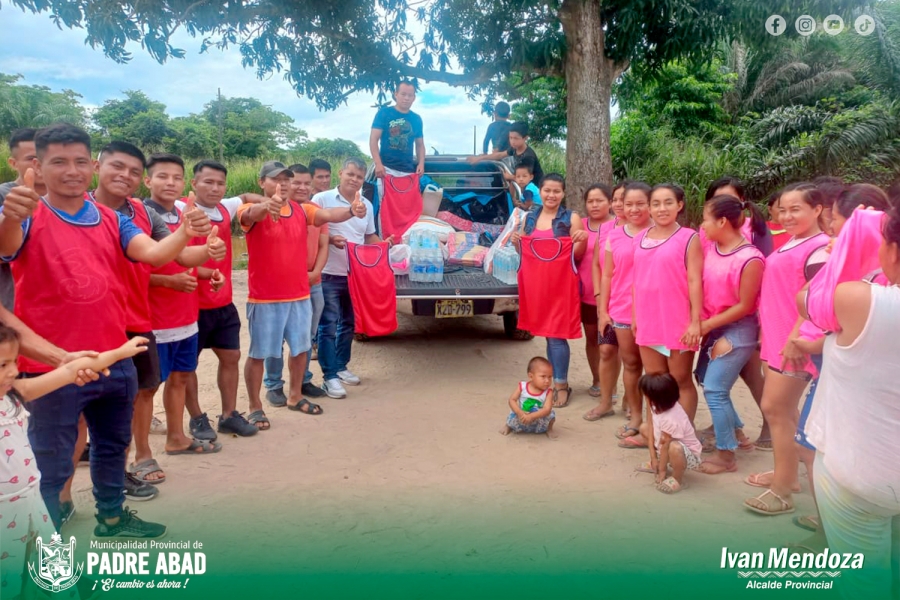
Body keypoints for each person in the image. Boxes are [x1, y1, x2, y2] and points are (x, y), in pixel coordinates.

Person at [0, 122, 211, 536]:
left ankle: (112, 517)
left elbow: (151, 254)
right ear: (38, 167)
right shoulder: (27, 213)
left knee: (113, 447)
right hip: (51, 367)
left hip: (114, 358)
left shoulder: (113, 220)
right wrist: (12, 217)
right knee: (52, 458)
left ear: (92, 165)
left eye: (80, 161)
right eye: (58, 162)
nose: (71, 170)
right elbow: (7, 247)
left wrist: (186, 231)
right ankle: (45, 539)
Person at [92, 142, 221, 498]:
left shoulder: (140, 214)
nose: (125, 176)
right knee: (101, 406)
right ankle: (74, 495)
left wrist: (205, 251)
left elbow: (169, 255)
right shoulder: (80, 209)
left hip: (137, 319)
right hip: (101, 324)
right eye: (118, 167)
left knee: (144, 389)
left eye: (132, 170)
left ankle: (139, 462)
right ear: (96, 166)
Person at [0, 328, 148, 598]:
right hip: (3, 515)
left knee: (47, 571)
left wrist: (119, 353)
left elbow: (69, 372)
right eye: (2, 365)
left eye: (14, 362)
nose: (12, 372)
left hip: (32, 505)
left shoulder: (15, 394)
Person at [800, 206, 900, 599]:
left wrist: (851, 240)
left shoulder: (866, 302)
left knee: (865, 583)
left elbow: (810, 300)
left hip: (863, 474)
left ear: (890, 250)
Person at [239, 160, 368, 423]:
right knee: (259, 353)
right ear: (261, 182)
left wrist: (352, 211)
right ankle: (255, 406)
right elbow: (252, 214)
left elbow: (330, 215)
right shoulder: (249, 210)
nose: (283, 184)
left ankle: (295, 395)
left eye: (286, 179)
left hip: (299, 294)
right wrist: (266, 205)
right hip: (264, 298)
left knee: (300, 349)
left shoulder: (301, 210)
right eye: (276, 179)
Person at [744, 183, 829, 516]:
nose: (787, 215)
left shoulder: (820, 249)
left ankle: (781, 490)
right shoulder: (794, 242)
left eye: (797, 209)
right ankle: (788, 476)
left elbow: (817, 301)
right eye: (783, 209)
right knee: (787, 413)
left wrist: (796, 337)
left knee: (775, 409)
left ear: (818, 210)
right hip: (778, 339)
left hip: (794, 344)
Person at [144, 153, 224, 457]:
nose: (171, 182)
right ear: (148, 180)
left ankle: (176, 437)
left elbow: (185, 262)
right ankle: (140, 455)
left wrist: (208, 271)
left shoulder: (184, 214)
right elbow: (130, 271)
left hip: (186, 317)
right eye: (163, 176)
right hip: (154, 319)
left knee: (179, 378)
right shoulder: (138, 214)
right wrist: (167, 282)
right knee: (146, 389)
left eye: (176, 177)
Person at [179, 160, 259, 439]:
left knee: (231, 357)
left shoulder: (226, 207)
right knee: (187, 366)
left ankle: (228, 415)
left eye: (220, 183)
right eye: (207, 182)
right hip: (190, 303)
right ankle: (197, 418)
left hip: (223, 302)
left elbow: (248, 197)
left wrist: (273, 200)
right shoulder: (181, 209)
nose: (214, 188)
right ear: (193, 184)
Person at [694, 195, 767, 474]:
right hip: (715, 325)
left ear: (722, 221)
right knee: (703, 378)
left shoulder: (750, 259)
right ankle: (736, 432)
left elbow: (746, 306)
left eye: (705, 219)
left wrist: (708, 325)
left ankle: (727, 455)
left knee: (715, 388)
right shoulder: (712, 248)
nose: (703, 225)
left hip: (738, 328)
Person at [312, 158, 391, 399]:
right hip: (327, 274)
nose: (355, 179)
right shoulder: (321, 199)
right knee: (328, 326)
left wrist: (386, 246)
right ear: (340, 173)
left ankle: (341, 366)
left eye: (359, 176)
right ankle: (329, 377)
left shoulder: (366, 203)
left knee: (348, 323)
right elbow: (309, 233)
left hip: (356, 276)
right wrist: (329, 241)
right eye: (350, 174)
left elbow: (369, 237)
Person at [511, 174, 587, 408]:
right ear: (540, 191)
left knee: (556, 335)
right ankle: (552, 383)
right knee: (547, 334)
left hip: (561, 285)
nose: (551, 195)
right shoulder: (530, 217)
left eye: (556, 191)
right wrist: (516, 242)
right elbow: (525, 252)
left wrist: (581, 239)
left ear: (563, 193)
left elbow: (577, 255)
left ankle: (561, 385)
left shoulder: (571, 217)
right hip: (537, 286)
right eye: (547, 191)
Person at [632, 184, 702, 423]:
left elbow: (695, 280)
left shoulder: (689, 237)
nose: (662, 209)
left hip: (677, 320)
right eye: (656, 203)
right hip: (648, 320)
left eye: (668, 202)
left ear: (679, 205)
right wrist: (635, 317)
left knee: (680, 380)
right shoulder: (640, 237)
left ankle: (683, 441)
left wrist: (695, 322)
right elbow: (636, 280)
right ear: (649, 208)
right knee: (654, 379)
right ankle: (658, 440)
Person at [263, 163, 329, 404]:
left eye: (306, 183)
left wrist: (316, 272)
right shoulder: (273, 211)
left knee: (305, 338)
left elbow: (324, 244)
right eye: (296, 182)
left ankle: (302, 380)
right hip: (282, 288)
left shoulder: (314, 210)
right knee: (275, 339)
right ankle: (273, 384)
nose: (301, 187)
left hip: (313, 283)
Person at [599, 183, 653, 448]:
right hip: (621, 310)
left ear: (650, 204)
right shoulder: (615, 235)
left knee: (655, 370)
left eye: (639, 203)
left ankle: (658, 423)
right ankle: (636, 417)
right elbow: (607, 274)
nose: (633, 209)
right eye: (628, 204)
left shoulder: (659, 233)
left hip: (654, 312)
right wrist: (602, 311)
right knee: (631, 365)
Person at [578, 184, 618, 421]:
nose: (594, 205)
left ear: (610, 202)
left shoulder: (618, 226)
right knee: (592, 339)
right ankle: (597, 379)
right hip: (586, 294)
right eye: (590, 201)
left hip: (614, 296)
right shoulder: (580, 226)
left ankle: (611, 386)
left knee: (613, 344)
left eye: (599, 200)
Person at [0, 128, 46, 312]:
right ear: (13, 163)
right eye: (31, 159)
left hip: (49, 310)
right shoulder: (4, 195)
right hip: (11, 311)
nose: (39, 164)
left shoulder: (66, 200)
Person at [636, 373, 702, 495]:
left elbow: (666, 445)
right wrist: (653, 458)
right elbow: (651, 426)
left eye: (646, 394)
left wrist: (662, 471)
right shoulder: (657, 404)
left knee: (674, 446)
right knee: (644, 427)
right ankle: (659, 462)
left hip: (687, 455)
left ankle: (678, 479)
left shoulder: (671, 419)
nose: (645, 397)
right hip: (664, 446)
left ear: (655, 397)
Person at [370, 81, 425, 177]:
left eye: (410, 95)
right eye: (403, 94)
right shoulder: (384, 113)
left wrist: (421, 164)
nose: (406, 98)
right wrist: (378, 164)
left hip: (408, 171)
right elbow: (373, 139)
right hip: (386, 169)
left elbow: (420, 145)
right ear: (396, 94)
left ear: (414, 98)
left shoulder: (416, 119)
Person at [468, 122, 544, 186]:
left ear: (525, 138)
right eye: (510, 138)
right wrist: (480, 158)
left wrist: (508, 177)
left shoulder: (528, 157)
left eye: (516, 138)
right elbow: (499, 155)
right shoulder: (514, 148)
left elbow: (524, 179)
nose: (512, 141)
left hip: (536, 191)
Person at [499, 356, 558, 439]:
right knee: (513, 411)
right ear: (531, 376)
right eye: (543, 376)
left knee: (551, 414)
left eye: (550, 377)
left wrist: (532, 416)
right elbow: (512, 400)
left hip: (538, 417)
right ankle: (508, 425)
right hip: (522, 415)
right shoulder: (522, 386)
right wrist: (520, 413)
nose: (547, 381)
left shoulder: (548, 392)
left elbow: (546, 409)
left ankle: (549, 429)